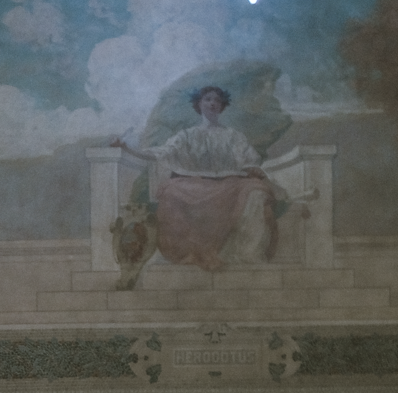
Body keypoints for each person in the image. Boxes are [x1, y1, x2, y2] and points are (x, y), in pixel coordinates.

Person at [120, 86, 285, 272]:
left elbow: (248, 160)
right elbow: (161, 153)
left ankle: (249, 253)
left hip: (229, 183)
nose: (212, 103)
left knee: (255, 190)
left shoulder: (233, 136)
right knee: (171, 192)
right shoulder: (187, 135)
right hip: (193, 183)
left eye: (216, 100)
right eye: (207, 99)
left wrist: (252, 169)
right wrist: (128, 149)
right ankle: (185, 251)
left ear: (222, 105)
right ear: (199, 104)